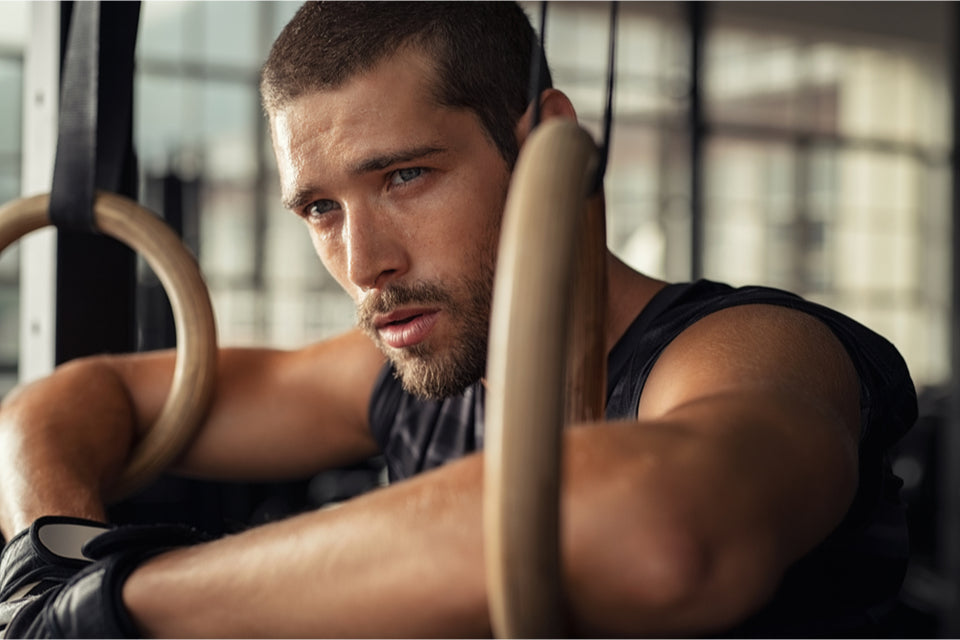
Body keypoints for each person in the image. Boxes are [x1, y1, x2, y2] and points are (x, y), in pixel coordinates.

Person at [0, 2, 917, 637]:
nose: (365, 265)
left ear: (544, 140)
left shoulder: (742, 349)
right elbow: (75, 399)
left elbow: (657, 527)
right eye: (320, 208)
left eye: (404, 176)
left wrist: (125, 605)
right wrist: (57, 562)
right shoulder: (410, 374)